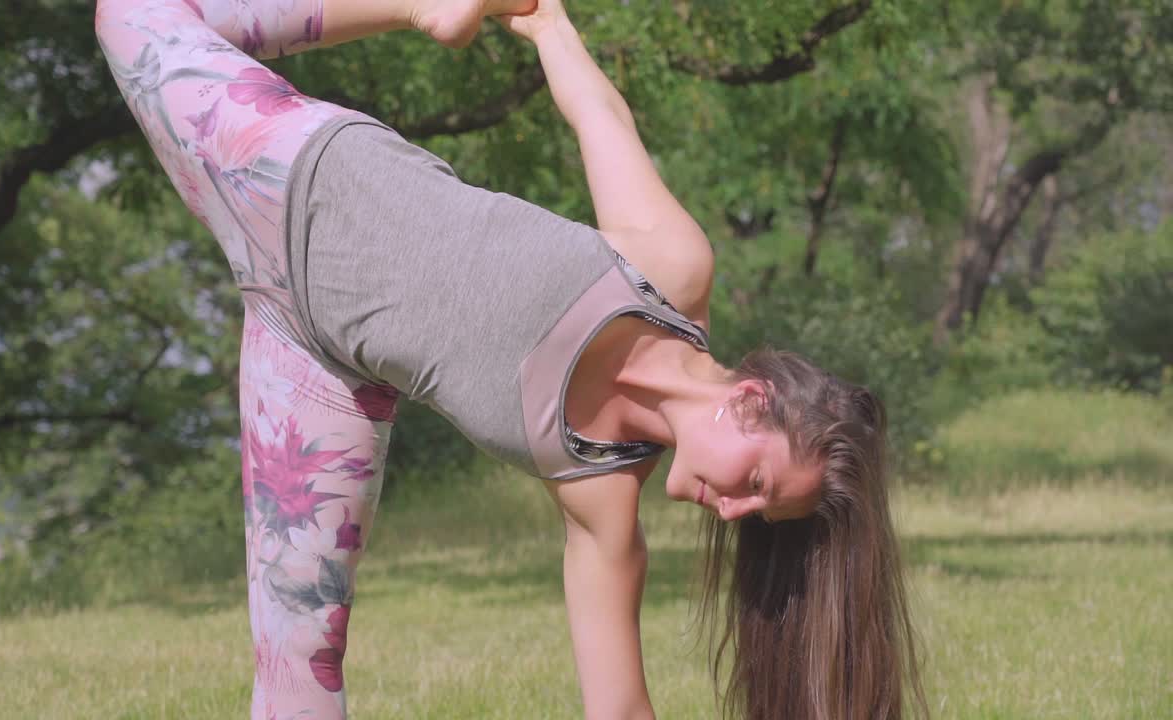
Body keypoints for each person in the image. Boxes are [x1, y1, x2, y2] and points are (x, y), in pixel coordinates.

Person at [94, 1, 927, 718]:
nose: (733, 512)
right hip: (302, 173)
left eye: (755, 515)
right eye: (756, 485)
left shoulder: (600, 496)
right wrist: (546, 21)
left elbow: (619, 707)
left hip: (313, 357)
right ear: (750, 401)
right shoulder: (669, 273)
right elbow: (604, 121)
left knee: (298, 668)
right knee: (132, 10)